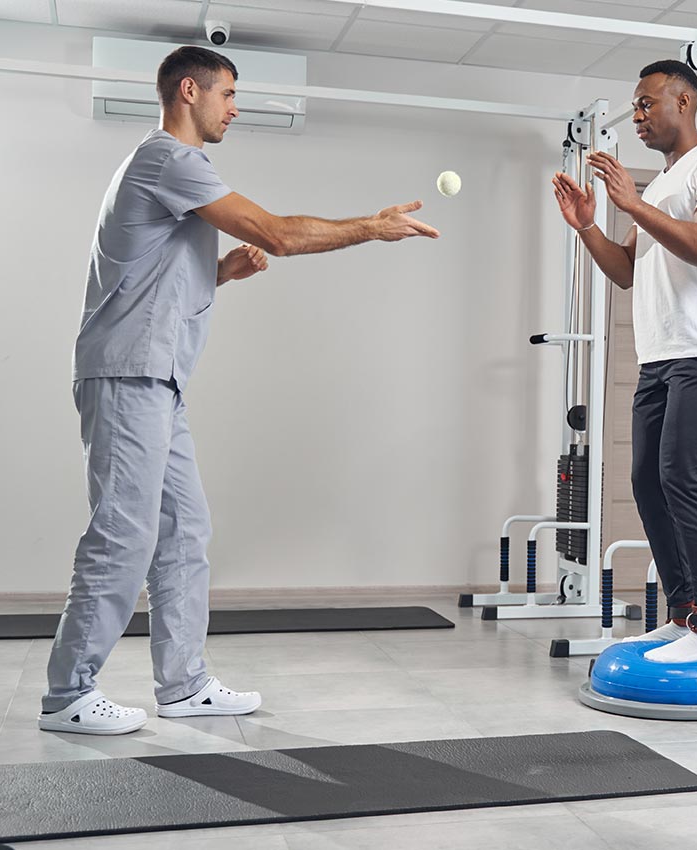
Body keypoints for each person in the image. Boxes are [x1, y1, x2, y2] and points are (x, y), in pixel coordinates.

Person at [41, 45, 439, 735]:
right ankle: (68, 693)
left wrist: (218, 273)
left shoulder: (168, 170)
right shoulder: (171, 158)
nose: (235, 108)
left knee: (185, 529)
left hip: (156, 379)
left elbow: (144, 278)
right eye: (228, 94)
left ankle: (185, 684)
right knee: (124, 534)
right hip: (130, 375)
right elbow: (279, 234)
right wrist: (371, 228)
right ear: (188, 91)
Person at [551, 59, 697, 664]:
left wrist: (634, 206)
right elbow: (626, 273)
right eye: (635, 106)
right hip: (660, 354)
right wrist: (589, 227)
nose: (637, 115)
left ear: (683, 103)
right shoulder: (664, 183)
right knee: (646, 480)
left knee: (683, 479)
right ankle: (683, 612)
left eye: (647, 104)